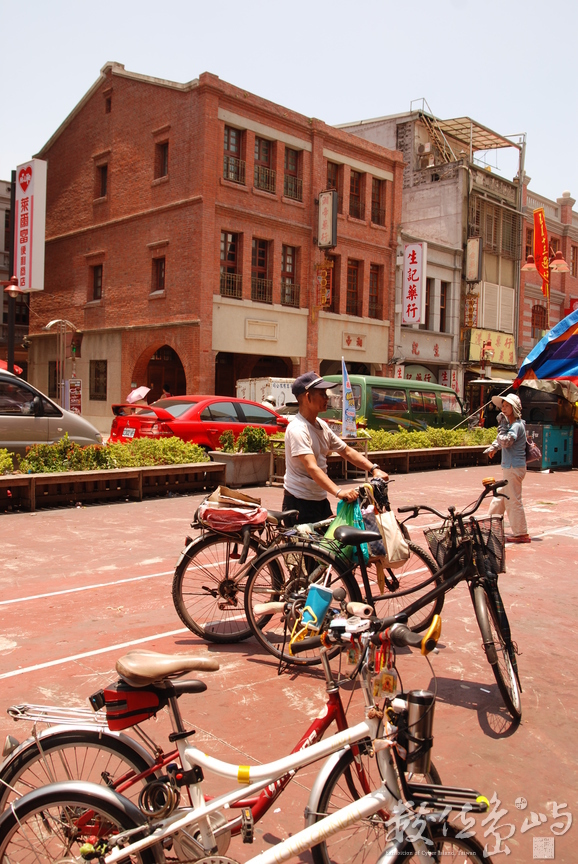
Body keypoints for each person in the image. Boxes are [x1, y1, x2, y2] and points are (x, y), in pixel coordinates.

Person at [283, 371, 388, 523]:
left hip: (320, 500)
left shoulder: (322, 425)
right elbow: (312, 468)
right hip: (299, 502)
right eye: (322, 394)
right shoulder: (297, 429)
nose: (327, 398)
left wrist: (374, 469)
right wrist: (339, 492)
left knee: (333, 544)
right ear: (307, 397)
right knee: (305, 547)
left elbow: (346, 451)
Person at [485, 393, 530, 543]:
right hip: (510, 467)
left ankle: (521, 533)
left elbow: (506, 441)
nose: (503, 409)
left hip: (514, 467)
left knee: (512, 500)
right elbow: (502, 441)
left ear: (514, 408)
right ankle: (490, 526)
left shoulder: (516, 425)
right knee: (500, 498)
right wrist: (494, 447)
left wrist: (501, 427)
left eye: (506, 406)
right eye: (502, 406)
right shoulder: (511, 425)